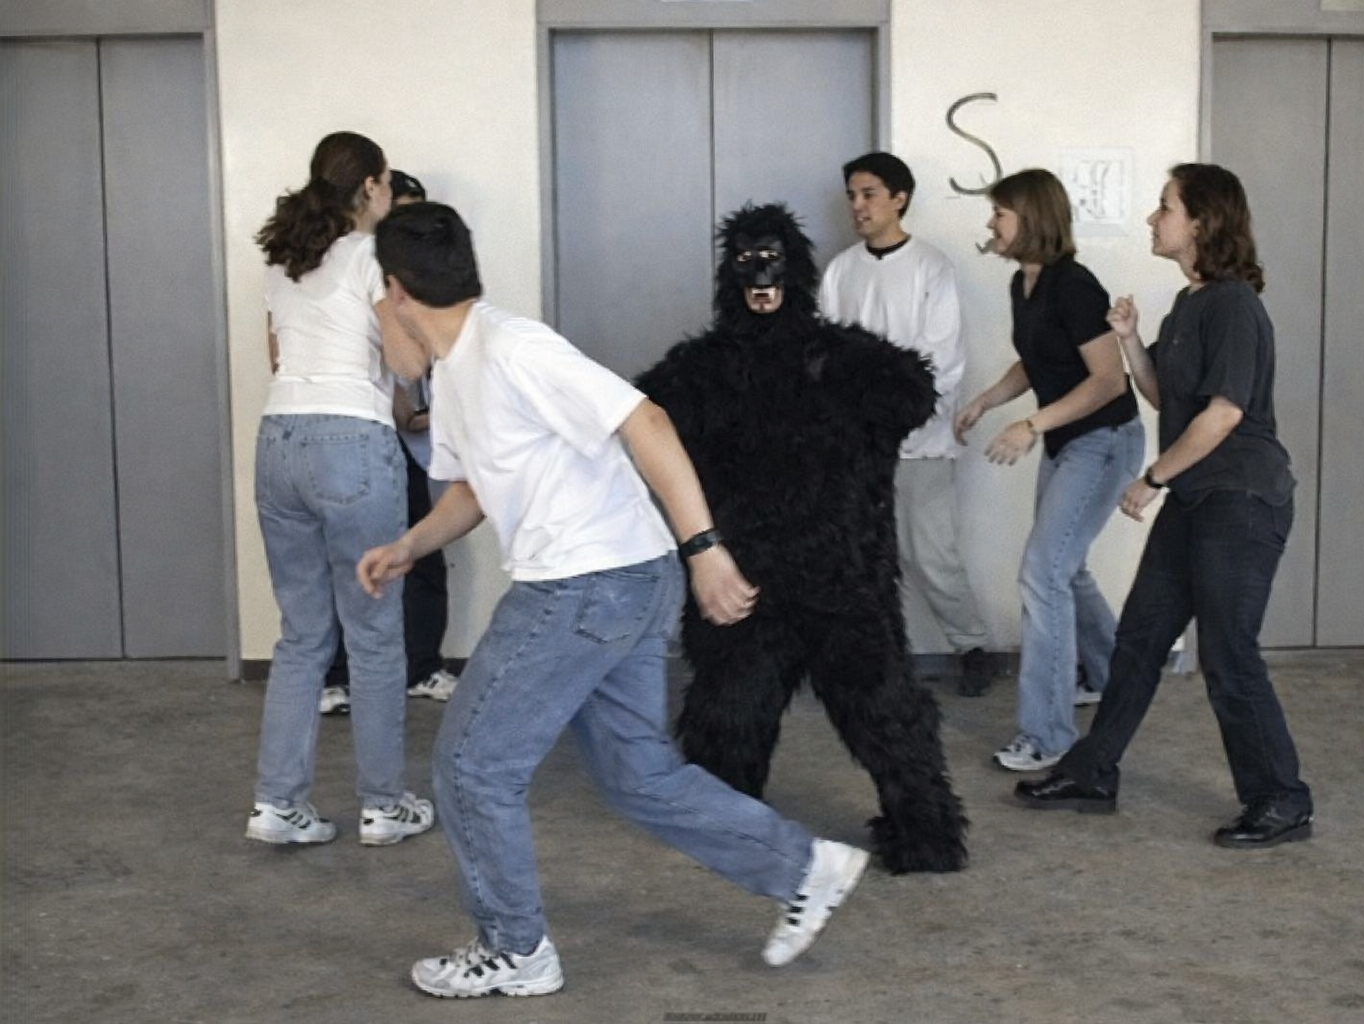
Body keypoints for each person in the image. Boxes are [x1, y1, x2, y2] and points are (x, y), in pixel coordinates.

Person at [358, 202, 869, 999]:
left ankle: (515, 949)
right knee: (638, 777)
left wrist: (707, 551)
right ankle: (802, 865)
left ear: (394, 290)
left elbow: (648, 420)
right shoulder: (457, 368)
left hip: (584, 586)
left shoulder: (514, 348)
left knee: (469, 767)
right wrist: (411, 544)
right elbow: (475, 488)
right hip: (620, 580)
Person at [637, 203, 968, 874]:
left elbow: (913, 394)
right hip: (744, 578)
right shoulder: (701, 371)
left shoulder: (844, 361)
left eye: (773, 260)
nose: (761, 275)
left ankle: (925, 833)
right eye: (746, 262)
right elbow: (640, 423)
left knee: (880, 708)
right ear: (731, 275)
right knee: (729, 714)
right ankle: (722, 829)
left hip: (837, 575)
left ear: (797, 270)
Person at [1015, 163, 1314, 850]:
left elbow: (1223, 415)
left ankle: (1281, 799)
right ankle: (1092, 770)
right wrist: (1127, 338)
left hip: (1241, 498)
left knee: (1230, 652)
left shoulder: (1235, 305)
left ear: (1202, 222)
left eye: (1165, 207)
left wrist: (1151, 477)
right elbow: (1161, 397)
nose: (1155, 219)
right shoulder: (1189, 305)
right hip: (1199, 495)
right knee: (1141, 638)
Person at [247, 131, 434, 847]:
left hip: (279, 442)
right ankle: (385, 805)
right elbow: (404, 360)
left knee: (302, 634)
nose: (388, 195)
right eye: (385, 184)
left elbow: (279, 358)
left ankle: (277, 803)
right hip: (351, 447)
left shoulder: (282, 261)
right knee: (375, 633)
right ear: (369, 190)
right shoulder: (370, 257)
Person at [953, 169, 1144, 773]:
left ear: (1031, 219)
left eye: (1000, 214)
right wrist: (988, 400)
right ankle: (1117, 676)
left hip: (1105, 441)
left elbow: (1109, 380)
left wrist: (1031, 426)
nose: (991, 225)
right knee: (1064, 568)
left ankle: (1048, 737)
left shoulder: (1075, 285)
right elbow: (1038, 360)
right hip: (1070, 440)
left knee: (1043, 574)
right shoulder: (1024, 284)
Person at [818, 152, 994, 697]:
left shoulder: (930, 267)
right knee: (854, 551)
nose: (857, 206)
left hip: (920, 442)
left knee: (928, 554)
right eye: (851, 195)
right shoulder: (841, 270)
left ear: (900, 198)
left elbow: (942, 360)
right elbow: (824, 354)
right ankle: (864, 656)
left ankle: (973, 646)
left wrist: (895, 416)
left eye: (869, 193)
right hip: (854, 445)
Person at [319, 168, 457, 716]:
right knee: (353, 558)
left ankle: (420, 666)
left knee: (424, 550)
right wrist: (403, 408)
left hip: (419, 437)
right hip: (370, 431)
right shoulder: (358, 267)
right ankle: (340, 676)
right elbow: (391, 358)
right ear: (374, 198)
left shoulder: (418, 273)